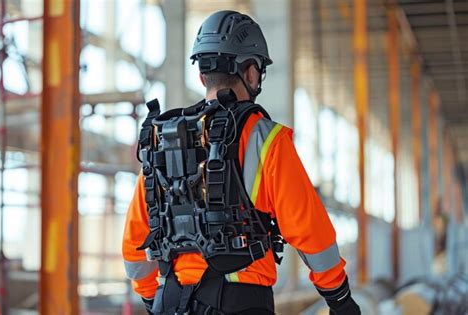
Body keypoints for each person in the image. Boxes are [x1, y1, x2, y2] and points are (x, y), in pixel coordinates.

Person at [122, 10, 361, 315]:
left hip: (169, 301)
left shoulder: (163, 139)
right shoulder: (265, 138)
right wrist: (340, 300)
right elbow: (310, 233)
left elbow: (134, 247)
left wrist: (154, 299)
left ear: (201, 75)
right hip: (242, 303)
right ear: (250, 73)